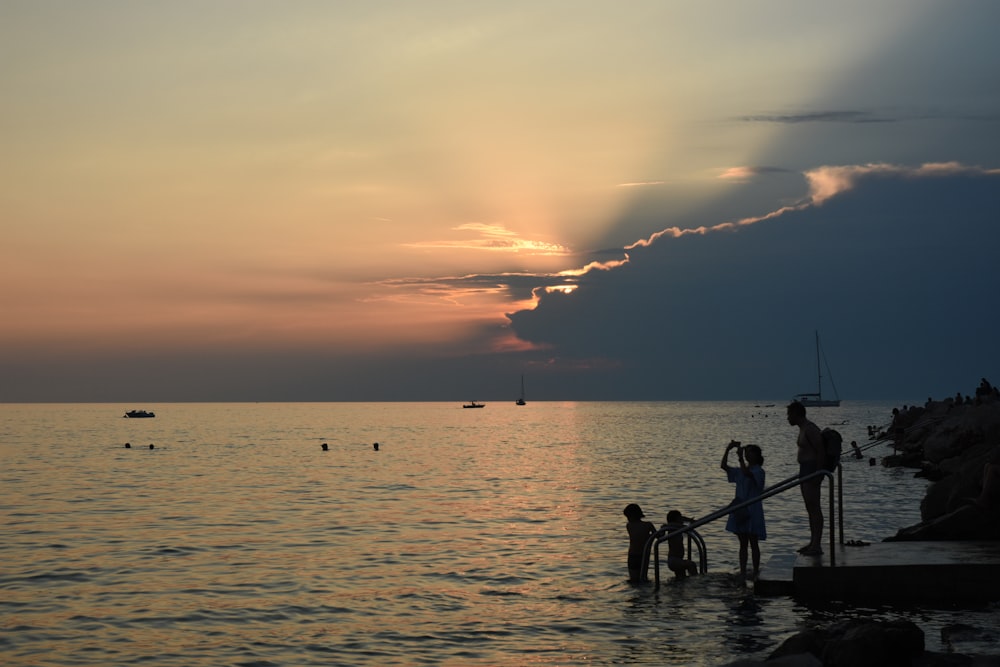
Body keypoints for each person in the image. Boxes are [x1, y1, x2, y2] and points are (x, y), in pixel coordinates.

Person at [721, 441, 766, 581]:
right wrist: (728, 449)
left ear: (757, 455)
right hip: (741, 509)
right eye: (746, 453)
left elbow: (748, 474)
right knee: (743, 543)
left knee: (753, 542)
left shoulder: (759, 471)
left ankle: (756, 570)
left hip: (752, 509)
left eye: (750, 452)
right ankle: (742, 570)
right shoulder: (740, 470)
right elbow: (724, 466)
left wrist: (740, 458)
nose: (747, 454)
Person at [787, 400, 825, 556]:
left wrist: (819, 474)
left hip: (812, 470)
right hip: (804, 470)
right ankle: (812, 542)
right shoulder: (802, 429)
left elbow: (821, 450)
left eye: (789, 414)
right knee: (809, 508)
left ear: (797, 414)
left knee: (815, 508)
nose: (787, 418)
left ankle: (817, 544)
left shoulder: (810, 429)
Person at [623, 503, 656, 583]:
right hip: (643, 555)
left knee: (633, 580)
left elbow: (638, 536)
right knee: (643, 579)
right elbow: (658, 535)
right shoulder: (648, 525)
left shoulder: (629, 525)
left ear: (633, 515)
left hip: (632, 555)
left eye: (628, 517)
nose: (627, 519)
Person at [664, 510, 698, 578]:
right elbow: (683, 526)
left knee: (681, 578)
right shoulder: (672, 526)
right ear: (676, 519)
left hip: (677, 559)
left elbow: (689, 526)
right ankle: (696, 582)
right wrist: (688, 520)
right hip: (674, 560)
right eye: (680, 518)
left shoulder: (677, 528)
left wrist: (688, 520)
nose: (682, 519)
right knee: (691, 565)